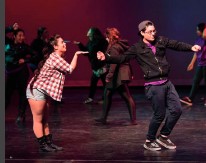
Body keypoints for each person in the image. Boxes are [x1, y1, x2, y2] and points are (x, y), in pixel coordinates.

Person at [97, 20, 201, 151]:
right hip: (153, 85)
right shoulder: (137, 48)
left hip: (167, 83)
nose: (153, 34)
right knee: (160, 114)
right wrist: (105, 58)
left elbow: (176, 44)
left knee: (177, 110)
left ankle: (163, 136)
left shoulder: (161, 40)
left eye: (154, 31)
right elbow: (122, 58)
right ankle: (149, 140)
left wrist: (191, 47)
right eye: (150, 32)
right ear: (142, 33)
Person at [26, 34, 88, 152]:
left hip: (44, 91)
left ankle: (49, 143)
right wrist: (76, 54)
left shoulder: (57, 57)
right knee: (38, 119)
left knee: (45, 119)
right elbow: (70, 69)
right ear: (55, 47)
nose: (64, 43)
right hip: (37, 90)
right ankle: (43, 146)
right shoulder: (54, 57)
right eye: (61, 42)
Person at [95, 28, 137, 125]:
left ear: (109, 37)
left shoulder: (114, 47)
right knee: (110, 94)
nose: (106, 39)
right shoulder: (119, 45)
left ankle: (132, 120)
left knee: (123, 95)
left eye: (106, 37)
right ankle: (104, 118)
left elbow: (114, 63)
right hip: (121, 73)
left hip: (118, 75)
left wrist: (109, 76)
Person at [5, 28, 37, 124]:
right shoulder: (7, 43)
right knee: (6, 94)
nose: (22, 37)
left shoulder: (25, 47)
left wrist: (26, 60)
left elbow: (36, 55)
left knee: (22, 93)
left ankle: (21, 115)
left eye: (23, 35)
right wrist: (11, 28)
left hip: (21, 72)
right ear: (14, 36)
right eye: (19, 35)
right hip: (10, 72)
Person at [74, 27, 108, 104]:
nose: (87, 32)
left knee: (105, 83)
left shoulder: (101, 41)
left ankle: (105, 99)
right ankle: (91, 98)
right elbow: (87, 51)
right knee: (93, 83)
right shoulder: (90, 42)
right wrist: (79, 44)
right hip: (95, 67)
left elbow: (103, 50)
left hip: (101, 65)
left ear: (93, 33)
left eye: (89, 31)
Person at [180, 23, 206, 106]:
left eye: (198, 30)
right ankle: (190, 99)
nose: (196, 31)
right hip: (200, 64)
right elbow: (196, 52)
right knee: (195, 81)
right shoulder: (198, 40)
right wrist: (192, 63)